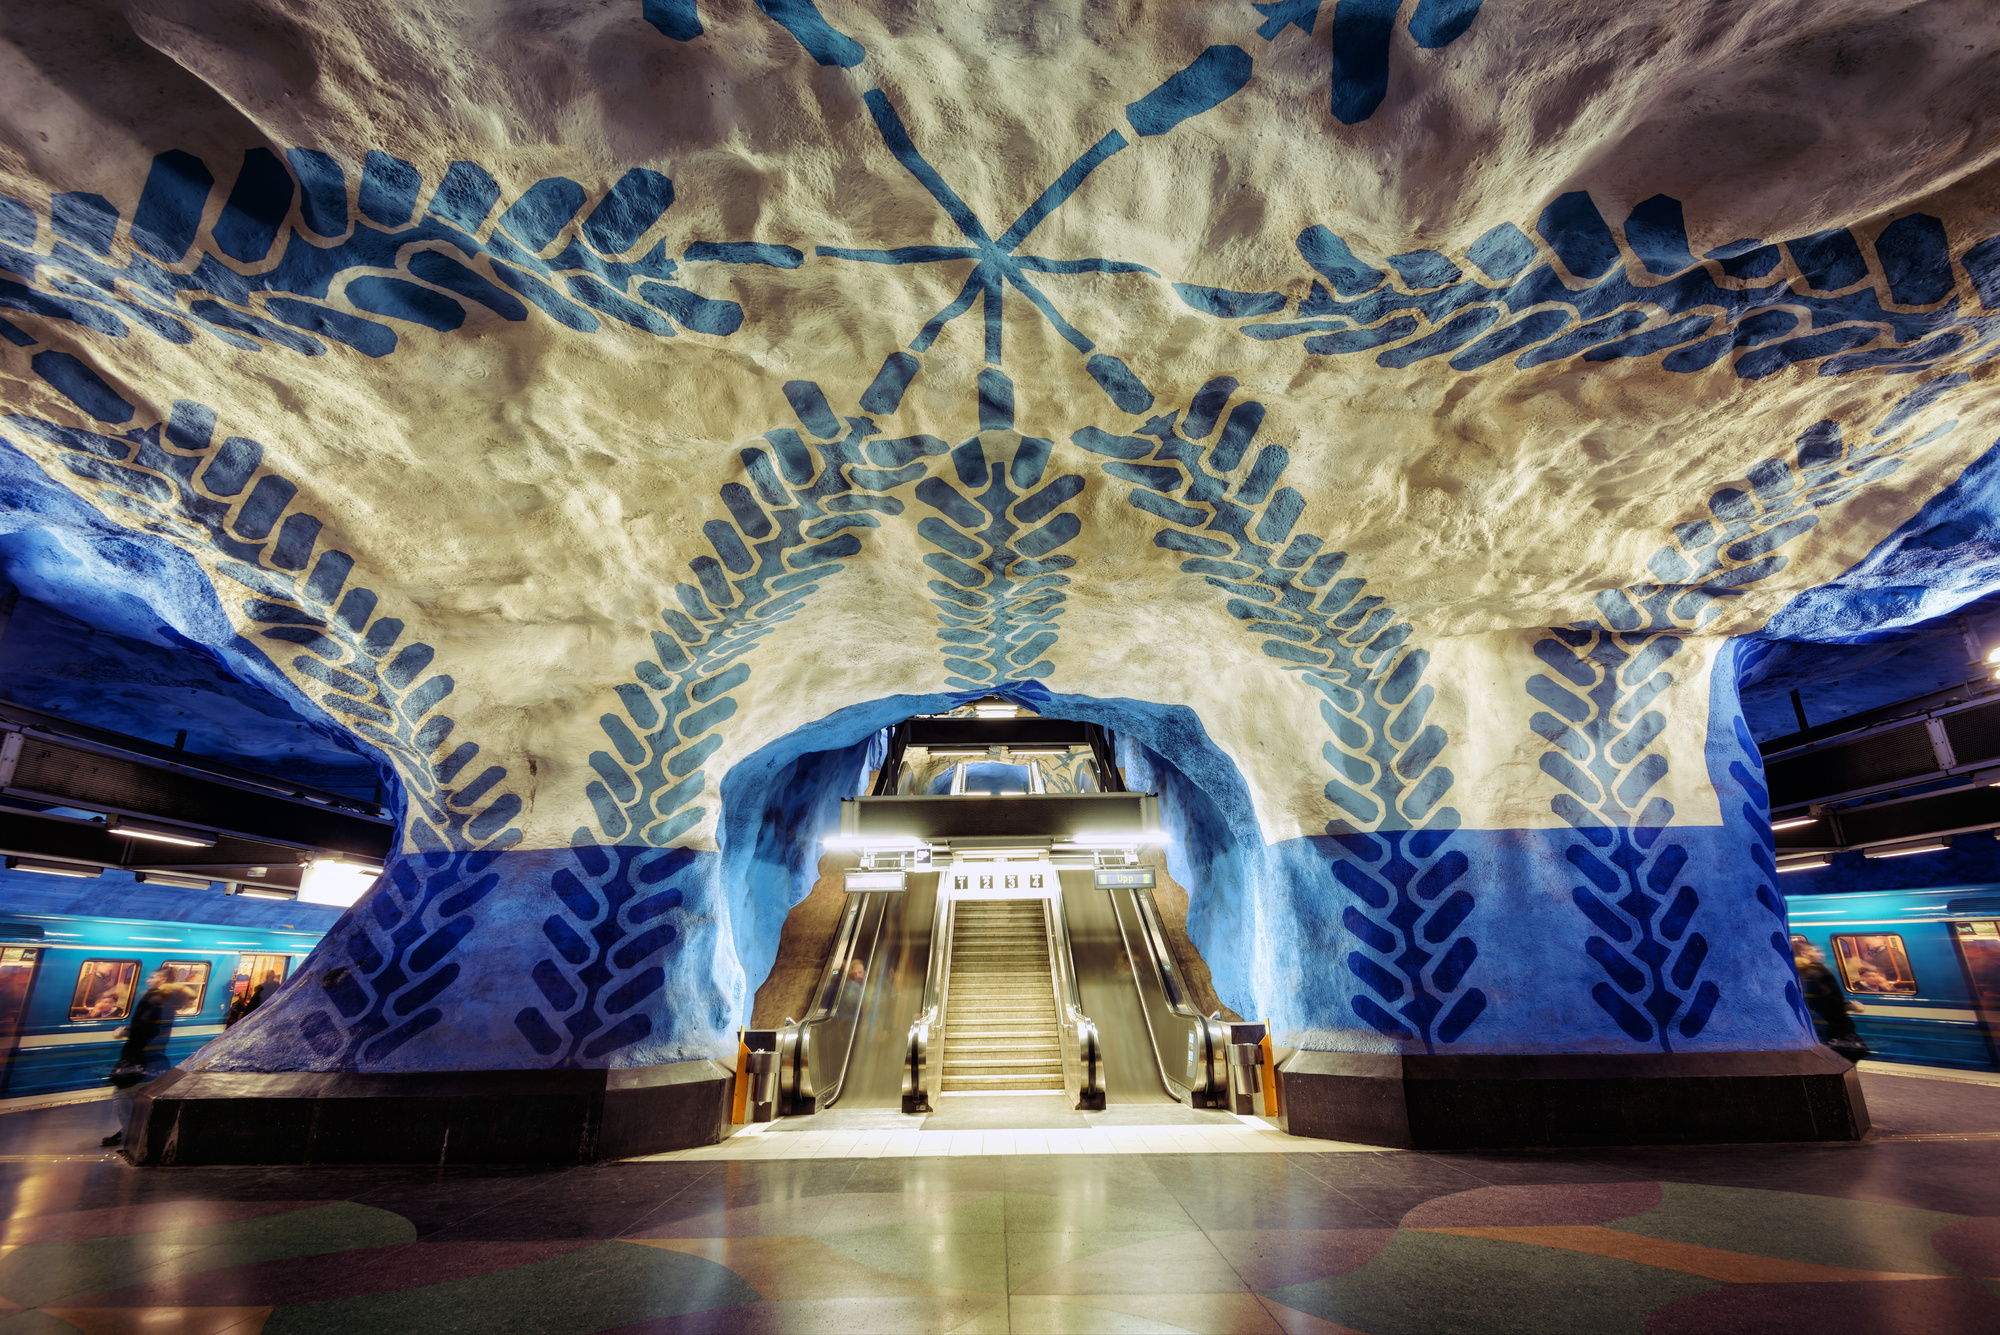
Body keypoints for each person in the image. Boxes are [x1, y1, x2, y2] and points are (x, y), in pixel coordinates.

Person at [103, 974, 190, 1149]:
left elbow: (143, 1030)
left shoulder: (153, 999)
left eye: (153, 977)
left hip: (140, 1058)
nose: (149, 979)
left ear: (163, 981)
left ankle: (130, 1137)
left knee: (122, 1094)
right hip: (156, 1059)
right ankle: (138, 1134)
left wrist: (124, 1032)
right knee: (139, 1097)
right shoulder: (169, 1006)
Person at [1794, 942, 1867, 1061]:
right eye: (1817, 951)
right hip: (1828, 1023)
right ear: (1804, 953)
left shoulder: (1801, 972)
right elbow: (1829, 999)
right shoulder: (1816, 973)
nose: (1822, 954)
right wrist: (1850, 1006)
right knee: (1842, 1057)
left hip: (1817, 1022)